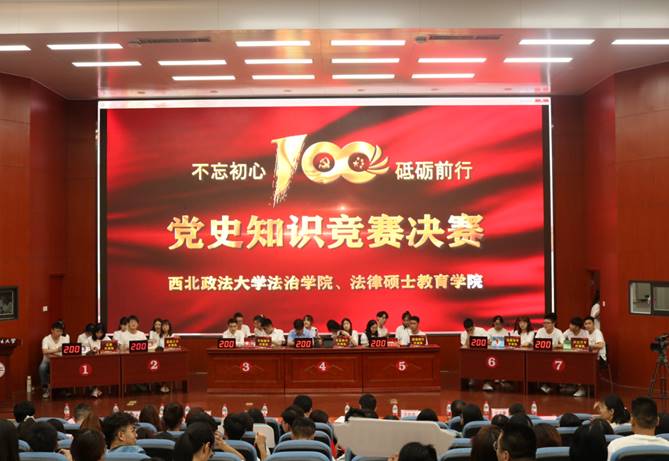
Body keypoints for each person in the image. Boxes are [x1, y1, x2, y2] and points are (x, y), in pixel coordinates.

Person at [39, 320, 69, 399]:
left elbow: (66, 352)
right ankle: (45, 389)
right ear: (52, 330)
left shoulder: (65, 339)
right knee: (42, 368)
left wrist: (52, 353)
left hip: (61, 361)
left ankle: (64, 389)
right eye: (57, 331)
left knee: (68, 366)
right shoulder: (46, 339)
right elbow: (45, 351)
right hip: (48, 360)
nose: (59, 333)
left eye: (61, 331)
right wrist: (57, 350)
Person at [535, 313, 564, 394]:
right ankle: (542, 384)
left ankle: (554, 385)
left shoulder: (558, 332)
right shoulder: (540, 331)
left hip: (554, 356)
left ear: (553, 324)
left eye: (548, 323)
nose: (545, 325)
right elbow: (536, 342)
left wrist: (554, 346)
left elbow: (564, 344)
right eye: (544, 323)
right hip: (541, 356)